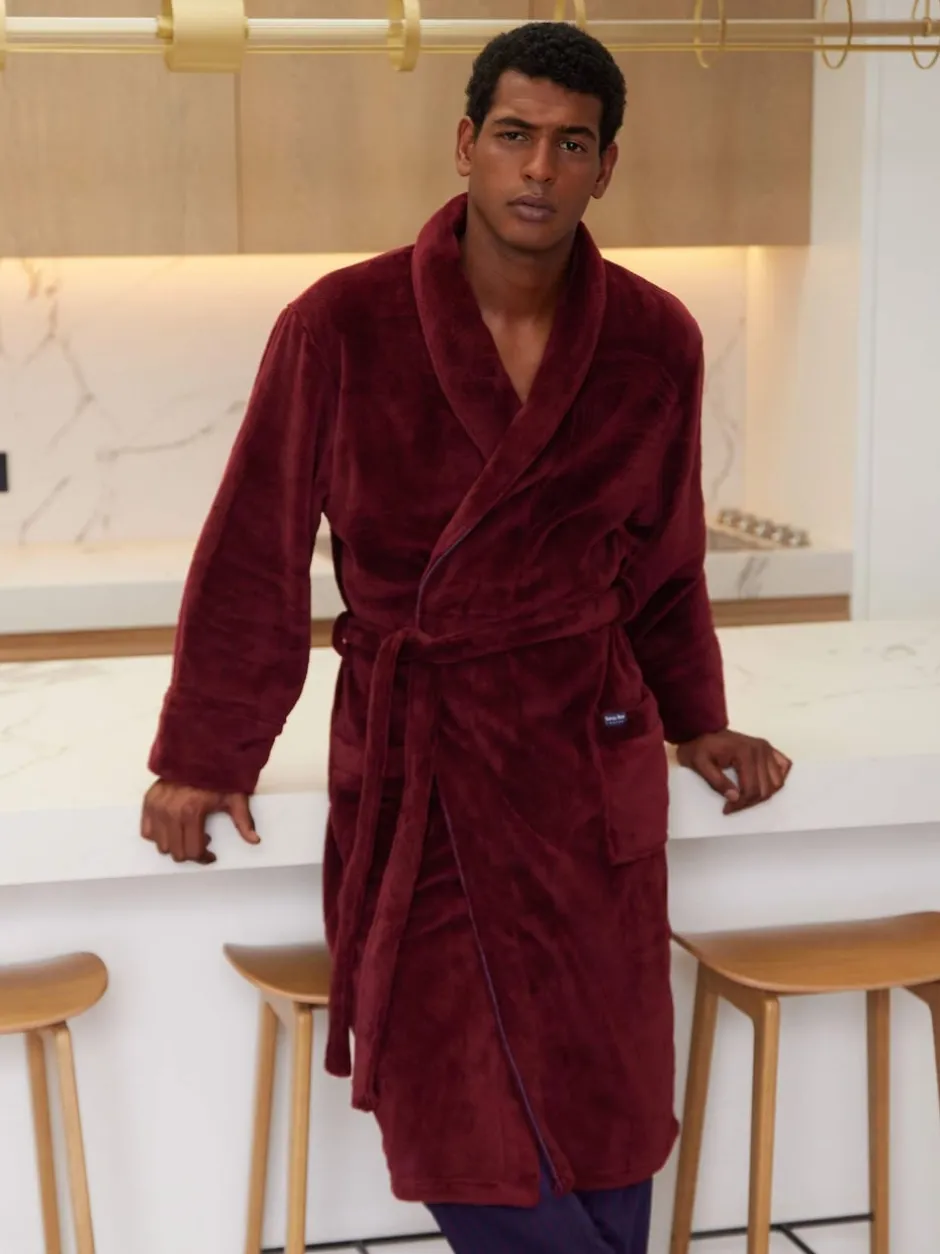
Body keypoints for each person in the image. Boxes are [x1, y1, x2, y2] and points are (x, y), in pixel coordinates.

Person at [142, 21, 791, 1254]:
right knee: (462, 1113)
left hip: (585, 759)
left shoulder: (655, 338)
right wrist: (205, 754)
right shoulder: (340, 324)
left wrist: (697, 719)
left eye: (570, 144)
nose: (538, 169)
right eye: (513, 135)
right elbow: (252, 554)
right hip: (422, 770)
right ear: (465, 145)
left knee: (604, 1112)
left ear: (606, 166)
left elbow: (663, 566)